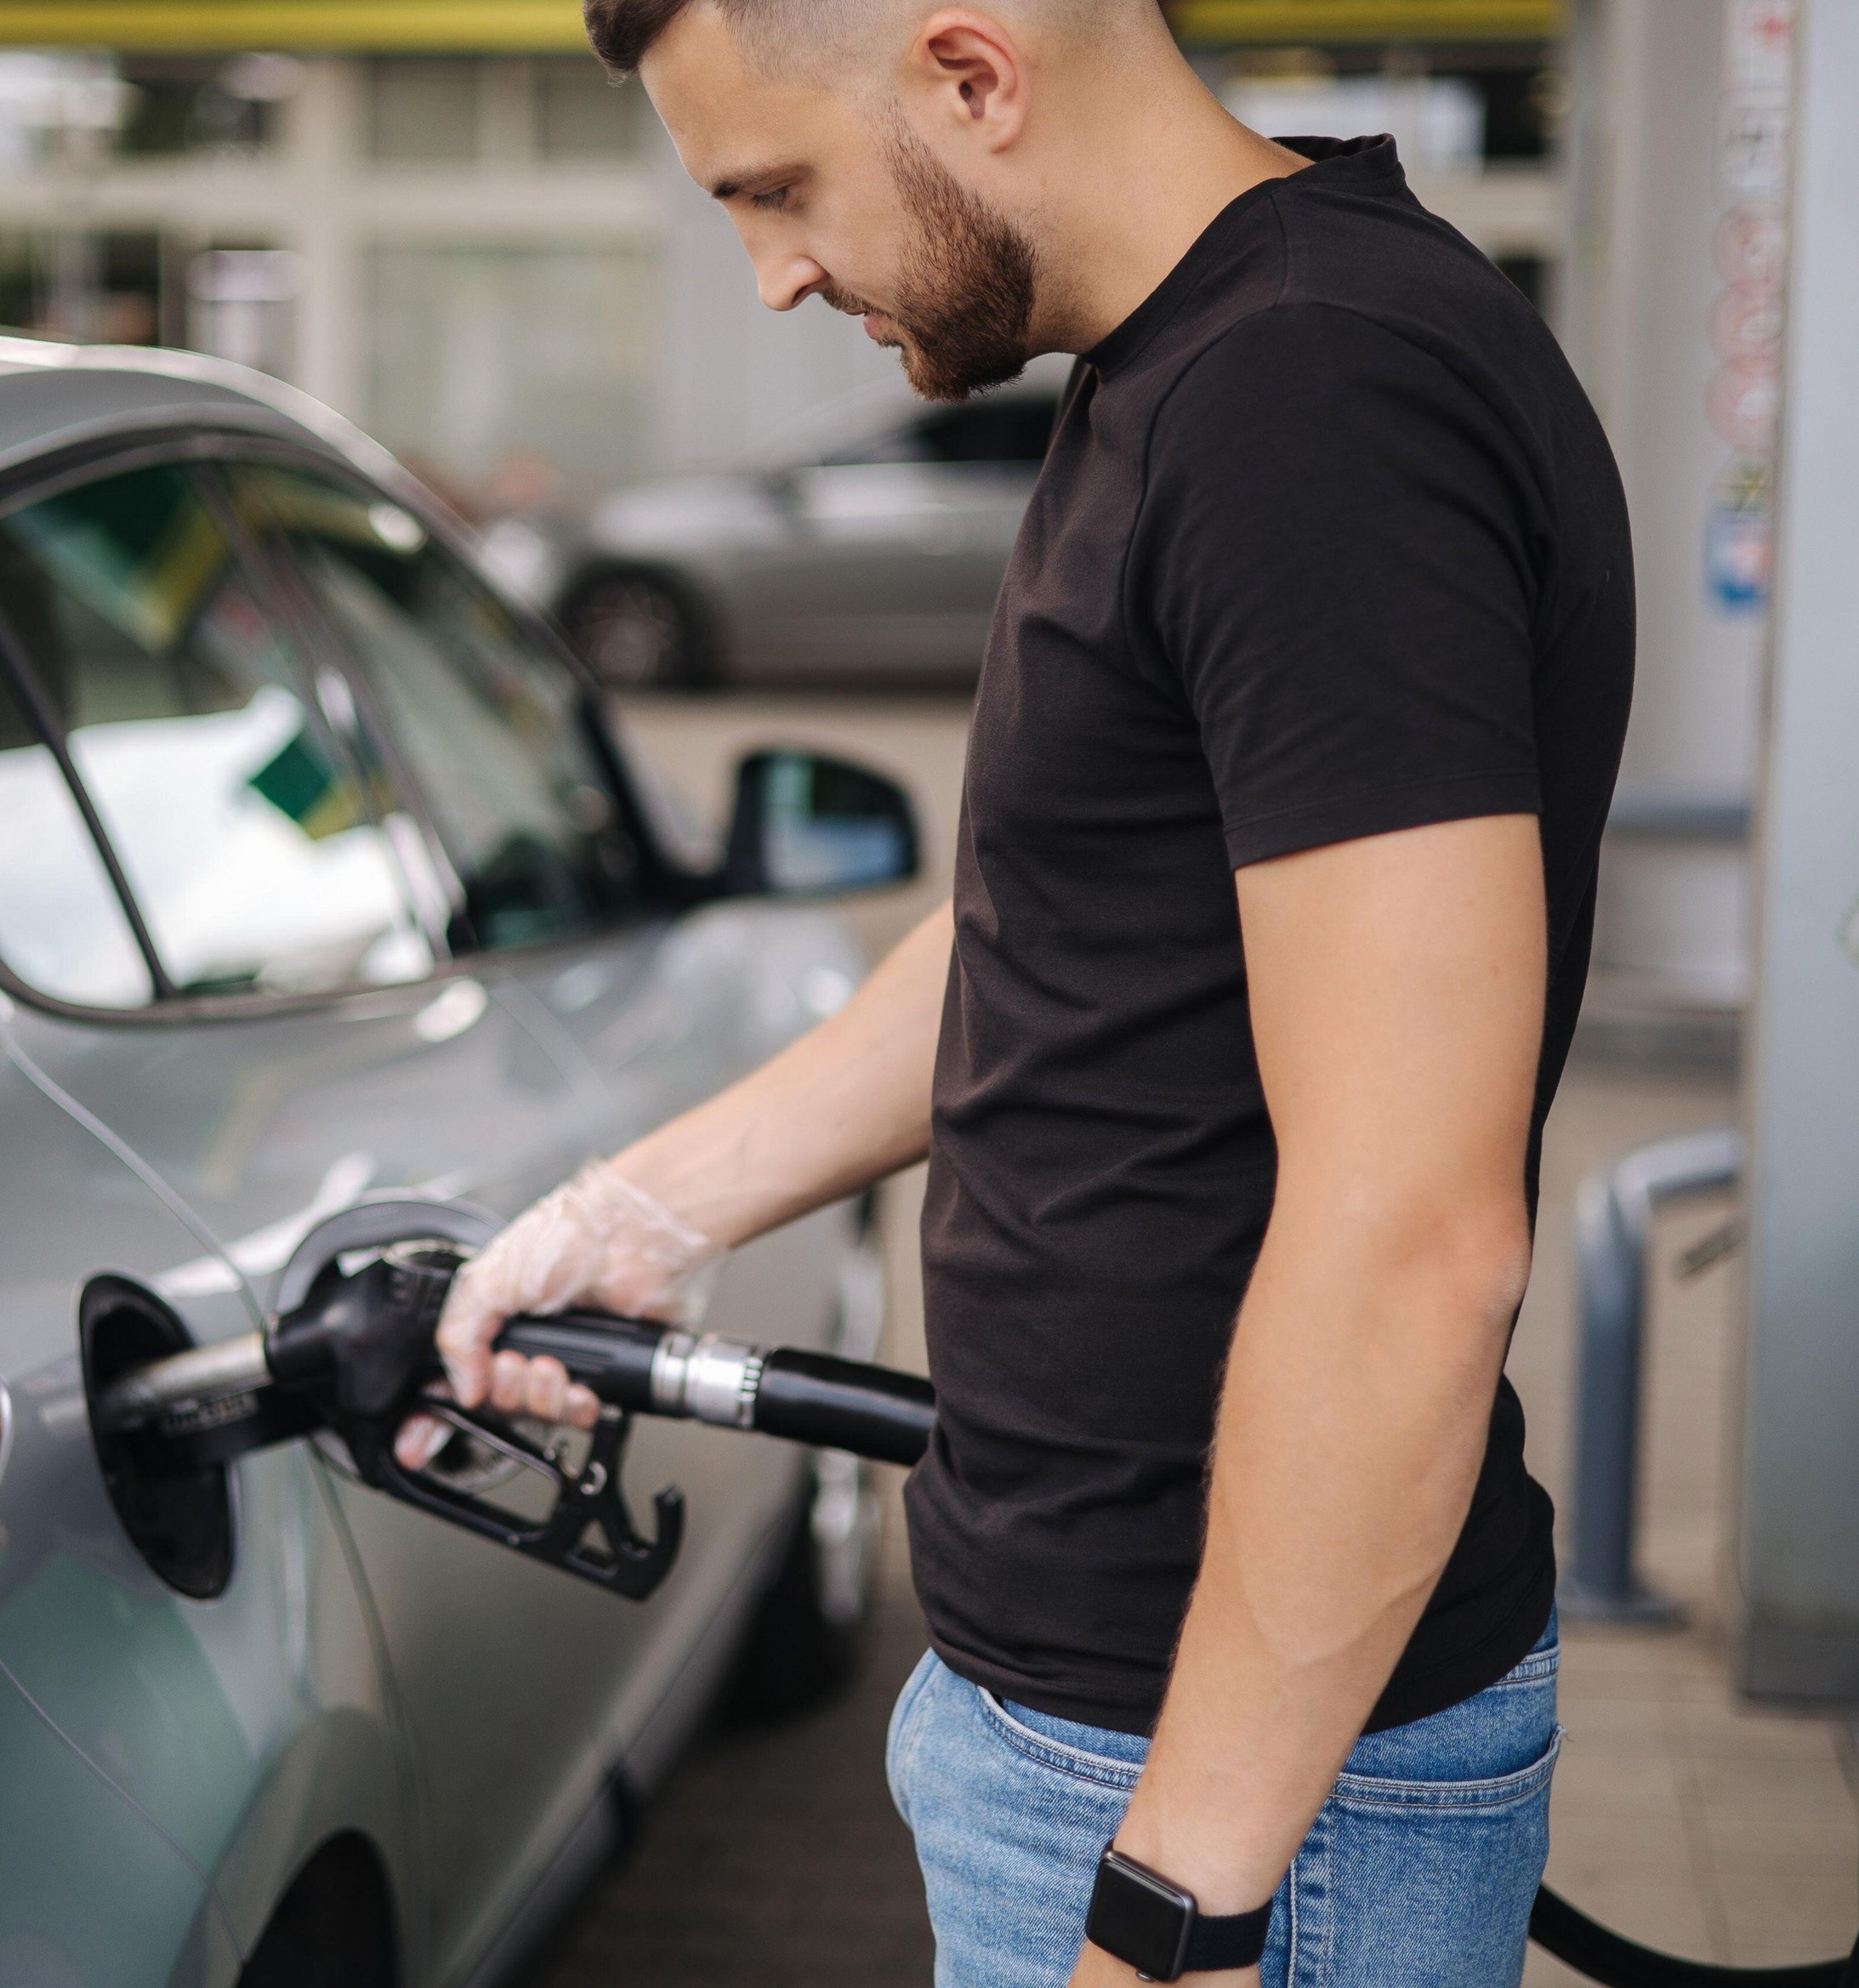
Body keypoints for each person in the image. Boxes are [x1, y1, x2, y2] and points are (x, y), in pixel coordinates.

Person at [403, 2, 1634, 1983]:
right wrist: (643, 1207)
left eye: (774, 186)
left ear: (969, 74)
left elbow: (1410, 1231)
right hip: (1102, 1716)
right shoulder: (1182, 368)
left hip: (1216, 1775)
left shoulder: (1309, 401)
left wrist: (1172, 1907)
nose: (774, 270)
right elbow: (1049, 934)